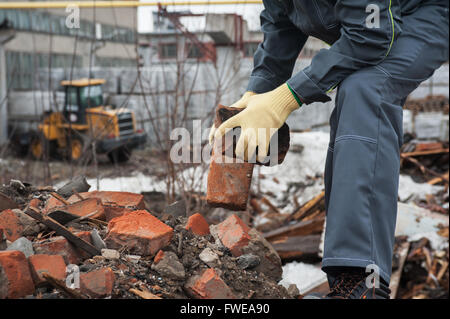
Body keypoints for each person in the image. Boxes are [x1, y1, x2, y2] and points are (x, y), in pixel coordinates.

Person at [210, 0, 449, 299]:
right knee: (357, 88)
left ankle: (363, 284)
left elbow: (371, 36)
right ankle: (346, 279)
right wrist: (256, 94)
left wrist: (285, 99)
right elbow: (281, 23)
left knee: (366, 89)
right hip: (372, 27)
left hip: (422, 14)